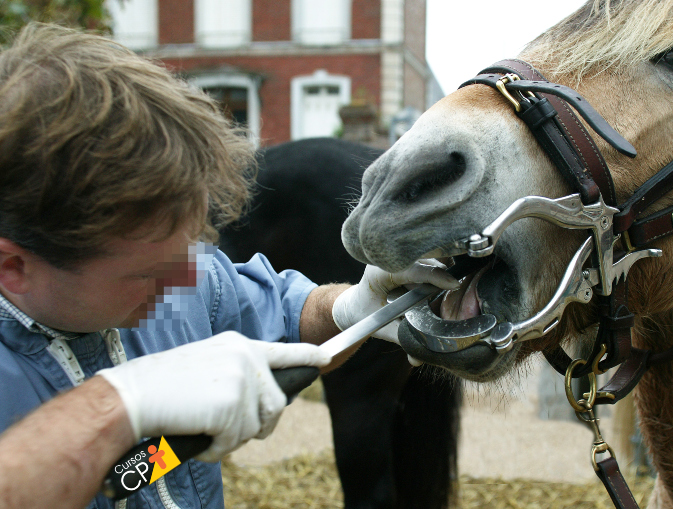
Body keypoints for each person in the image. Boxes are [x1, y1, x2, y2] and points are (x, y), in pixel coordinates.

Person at [0, 23, 459, 509]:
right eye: (147, 275)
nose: (181, 284)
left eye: (188, 252)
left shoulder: (189, 277)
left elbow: (287, 315)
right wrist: (115, 407)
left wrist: (348, 309)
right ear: (14, 267)